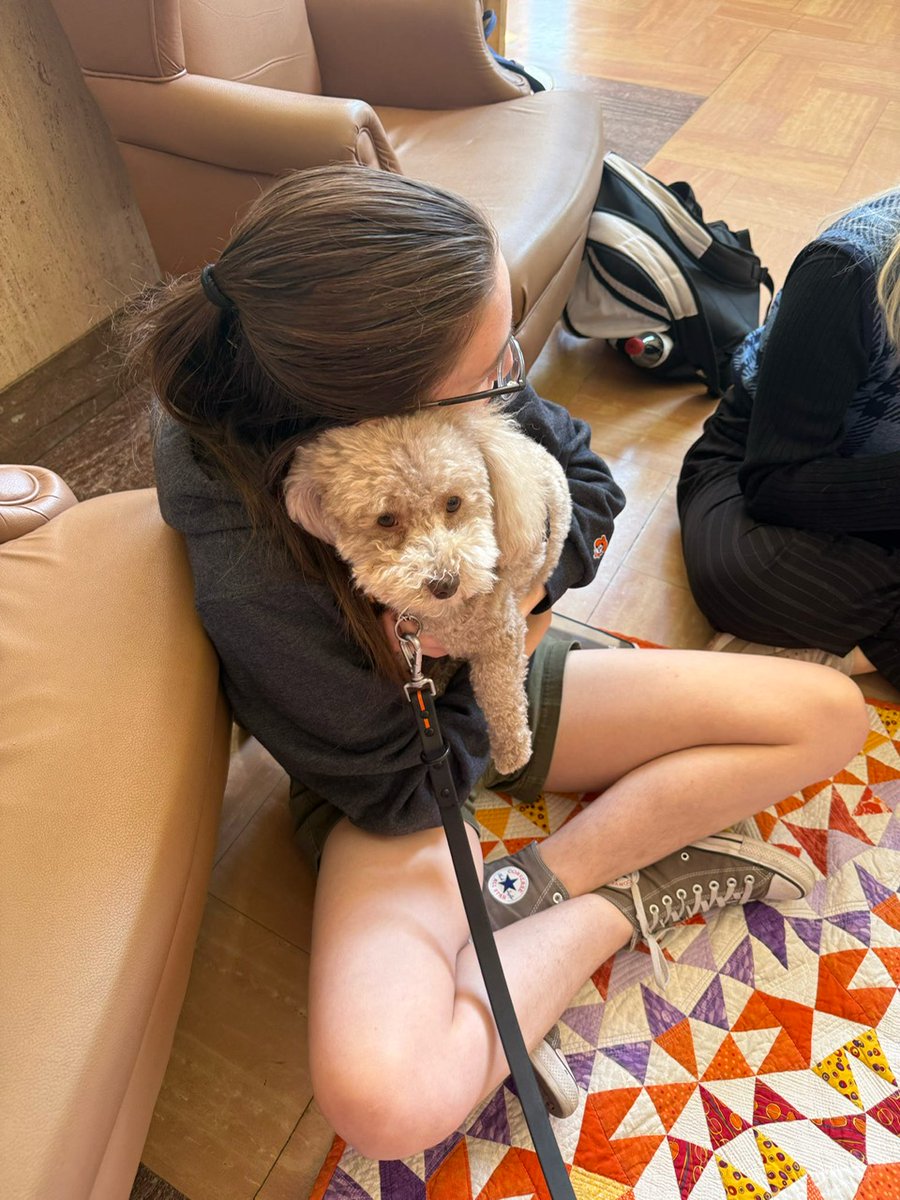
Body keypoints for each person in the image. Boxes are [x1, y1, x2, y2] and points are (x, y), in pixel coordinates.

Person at [130, 165, 867, 1161]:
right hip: (388, 775)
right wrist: (463, 691)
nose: (509, 372)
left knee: (828, 714)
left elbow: (590, 488)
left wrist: (513, 602)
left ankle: (570, 885)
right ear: (375, 415)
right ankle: (611, 905)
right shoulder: (252, 547)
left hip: (491, 677)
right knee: (386, 1100)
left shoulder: (460, 397)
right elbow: (401, 789)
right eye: (487, 371)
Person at [678, 191, 900, 685]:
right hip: (767, 469)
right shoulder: (848, 271)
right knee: (742, 573)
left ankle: (848, 649)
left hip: (876, 498)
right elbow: (776, 482)